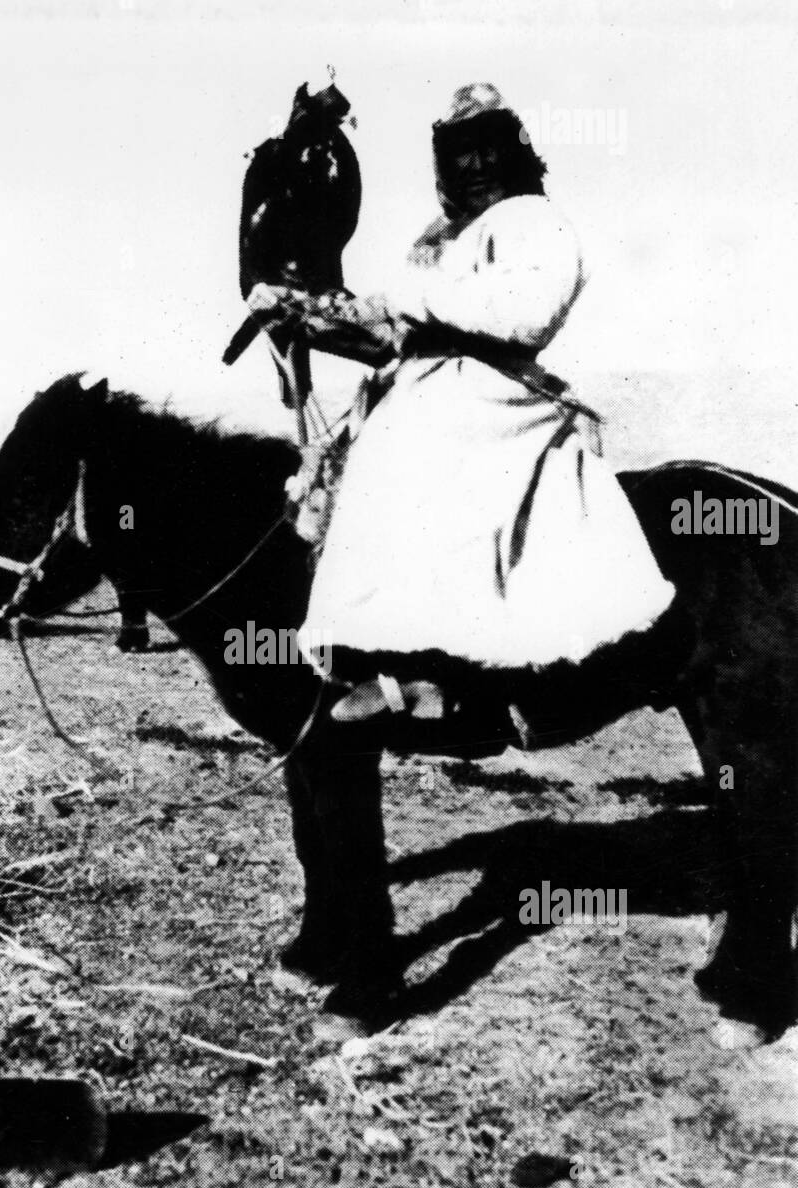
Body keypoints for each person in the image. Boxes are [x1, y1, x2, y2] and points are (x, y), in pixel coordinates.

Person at [247, 83, 675, 729]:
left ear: (514, 153)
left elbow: (523, 316)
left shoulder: (537, 222)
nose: (472, 167)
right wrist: (307, 315)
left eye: (485, 150)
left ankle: (434, 677)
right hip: (433, 378)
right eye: (458, 153)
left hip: (494, 389)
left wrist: (411, 295)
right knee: (345, 460)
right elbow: (396, 335)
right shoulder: (443, 241)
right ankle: (369, 650)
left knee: (411, 441)